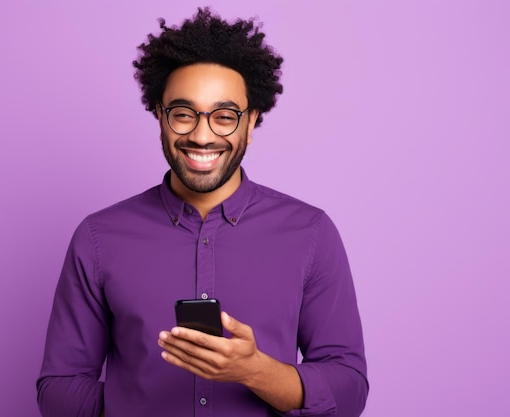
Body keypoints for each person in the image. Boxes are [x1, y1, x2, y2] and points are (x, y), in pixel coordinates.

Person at [37, 7, 368, 417]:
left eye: (225, 117)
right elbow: (58, 389)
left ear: (251, 122)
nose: (201, 134)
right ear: (159, 115)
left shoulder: (311, 233)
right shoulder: (98, 237)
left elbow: (350, 390)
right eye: (183, 114)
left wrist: (255, 371)